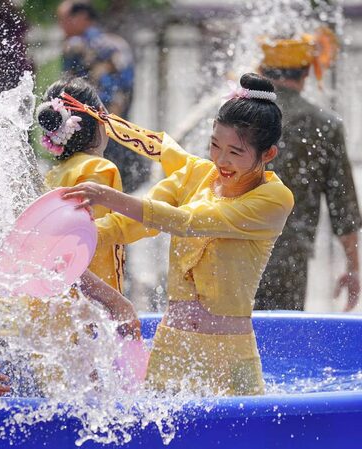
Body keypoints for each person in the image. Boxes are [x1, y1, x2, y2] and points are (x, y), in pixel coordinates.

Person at [62, 73, 294, 395]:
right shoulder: (196, 175)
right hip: (171, 347)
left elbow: (186, 221)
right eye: (214, 145)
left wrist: (110, 197)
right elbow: (133, 222)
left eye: (235, 152)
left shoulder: (274, 199)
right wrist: (74, 239)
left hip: (230, 354)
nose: (221, 160)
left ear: (268, 154)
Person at [255, 29, 362, 312]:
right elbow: (344, 207)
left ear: (262, 70)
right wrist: (353, 269)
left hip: (231, 248)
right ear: (307, 73)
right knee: (282, 342)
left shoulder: (237, 117)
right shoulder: (324, 124)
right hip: (289, 256)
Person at [39, 77, 125, 292]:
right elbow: (86, 244)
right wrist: (115, 303)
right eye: (104, 114)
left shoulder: (54, 175)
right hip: (93, 303)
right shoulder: (98, 169)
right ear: (96, 121)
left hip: (61, 299)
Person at [56, 0, 149, 193]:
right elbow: (127, 87)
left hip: (87, 127)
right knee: (122, 184)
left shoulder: (75, 44)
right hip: (117, 122)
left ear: (82, 18)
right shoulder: (118, 43)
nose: (61, 25)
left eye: (64, 19)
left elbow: (66, 88)